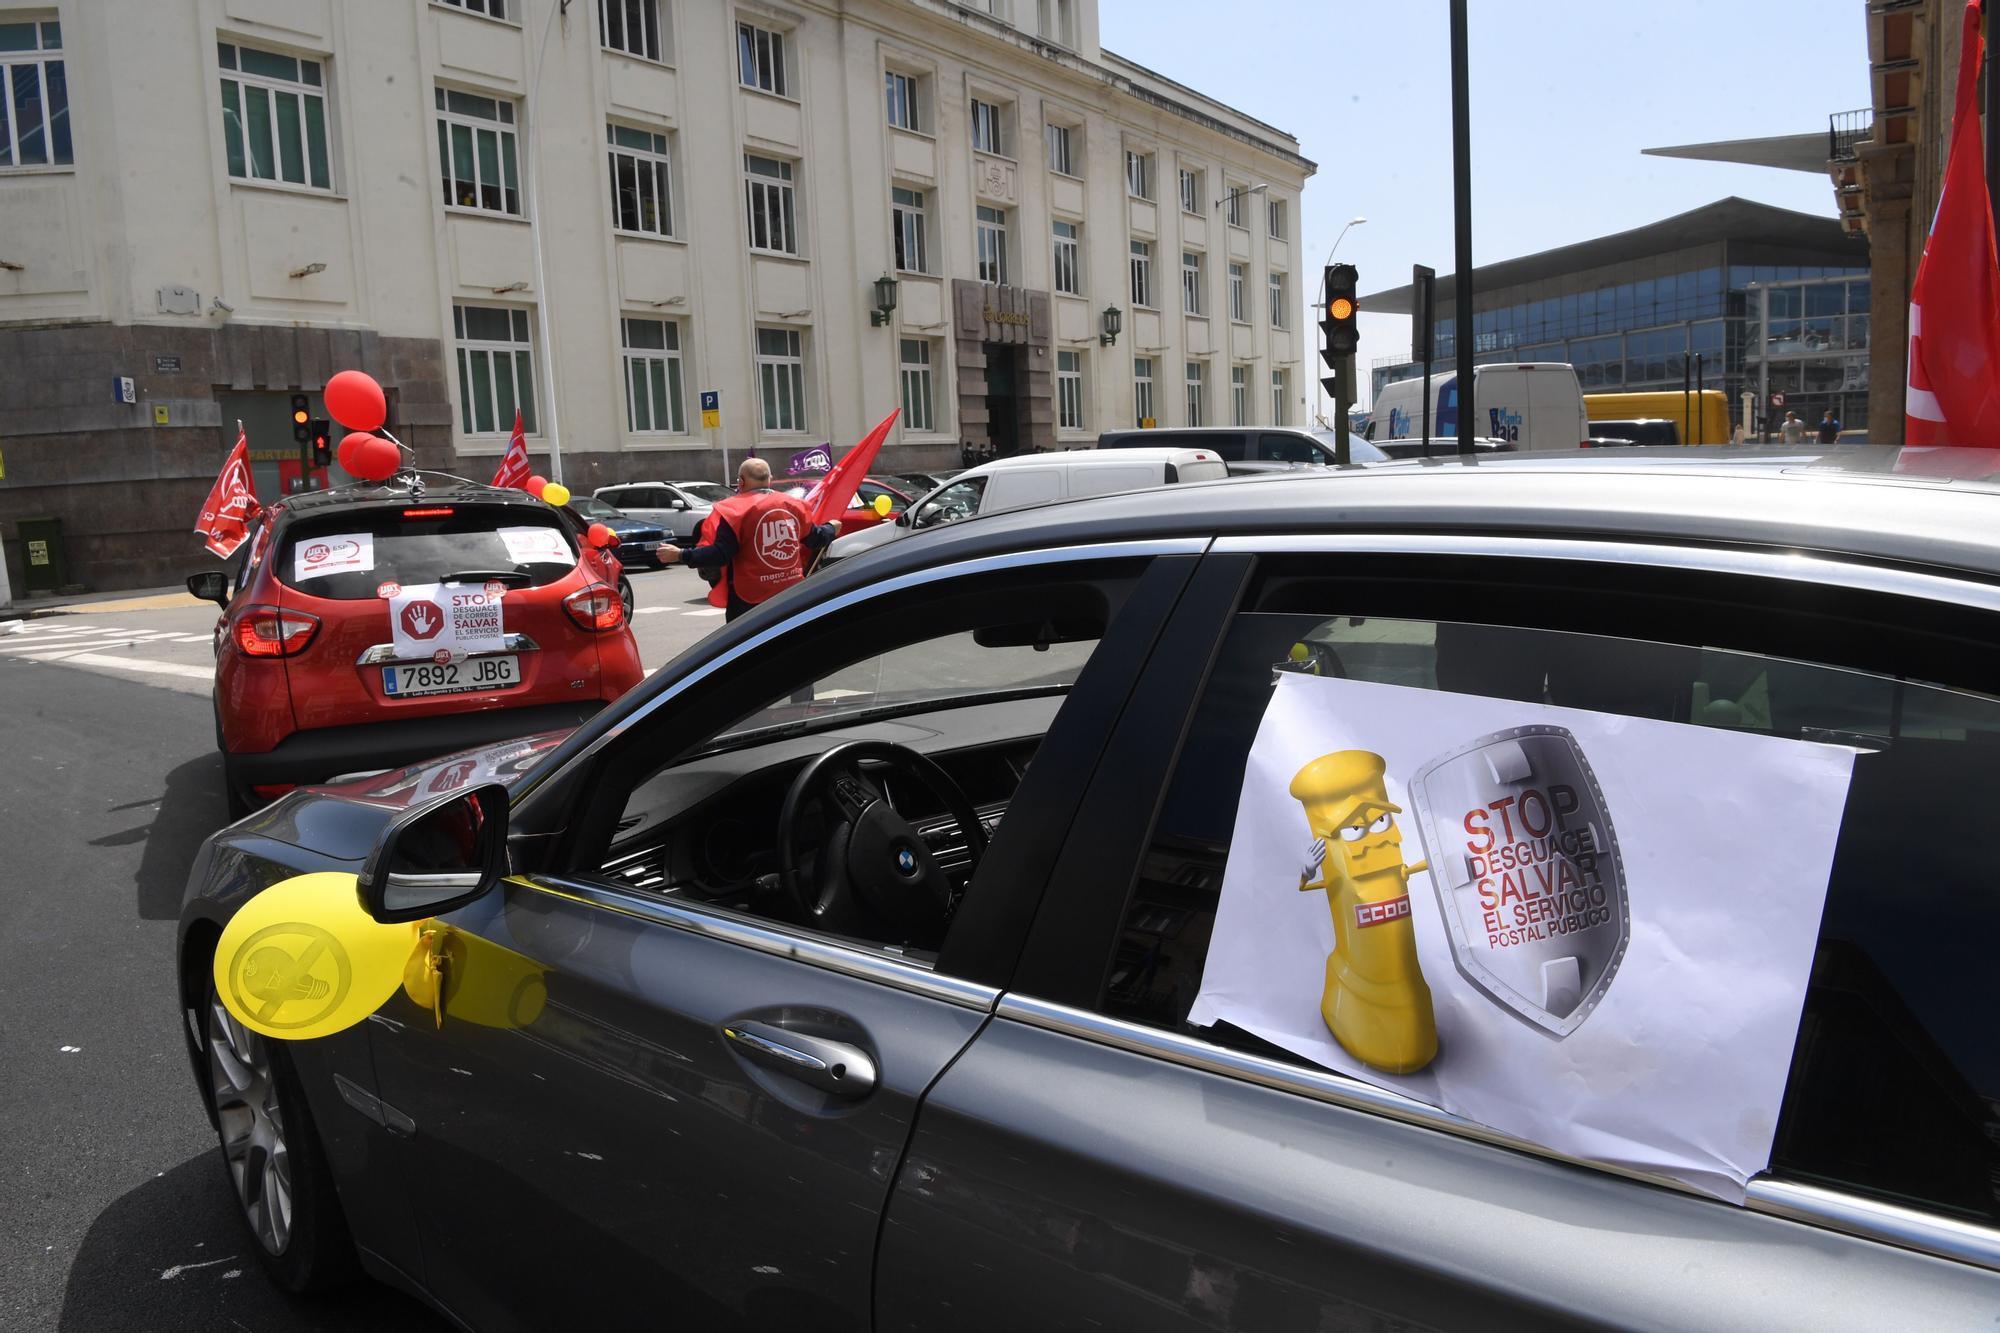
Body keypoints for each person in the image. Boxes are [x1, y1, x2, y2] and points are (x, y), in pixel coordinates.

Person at [658, 458, 836, 620]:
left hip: (750, 599)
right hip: (790, 592)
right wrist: (831, 528)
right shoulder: (793, 505)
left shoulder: (734, 510)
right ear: (770, 479)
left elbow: (721, 554)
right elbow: (814, 538)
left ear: (741, 481)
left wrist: (680, 555)